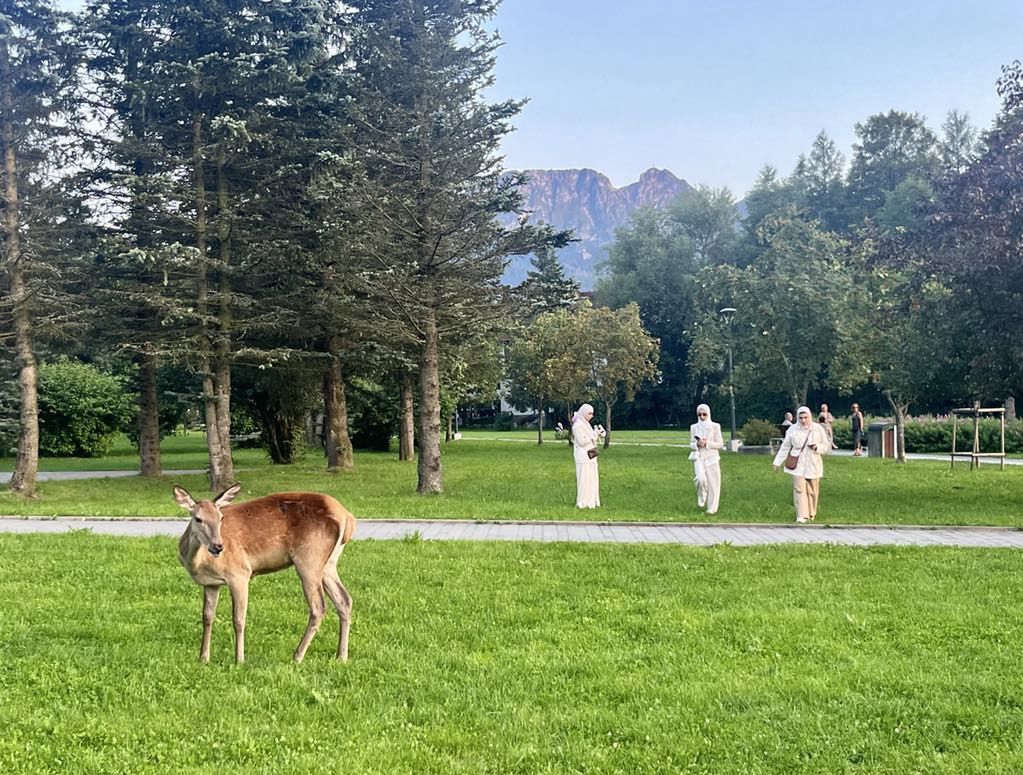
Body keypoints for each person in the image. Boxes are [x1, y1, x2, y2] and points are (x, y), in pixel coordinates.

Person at [773, 405, 832, 523]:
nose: (803, 420)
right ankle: (801, 516)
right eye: (801, 418)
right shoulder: (792, 430)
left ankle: (811, 514)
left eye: (806, 417)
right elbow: (785, 447)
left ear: (810, 416)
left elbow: (826, 445)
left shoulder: (818, 429)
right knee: (799, 489)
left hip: (813, 462)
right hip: (797, 463)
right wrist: (777, 462)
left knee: (813, 490)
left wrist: (817, 447)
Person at [689, 403, 724, 514]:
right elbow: (691, 444)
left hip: (712, 457)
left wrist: (706, 443)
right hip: (699, 457)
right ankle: (702, 495)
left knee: (714, 484)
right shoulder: (694, 427)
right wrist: (697, 445)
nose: (702, 417)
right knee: (700, 479)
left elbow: (720, 444)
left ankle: (712, 509)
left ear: (708, 414)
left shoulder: (715, 426)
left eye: (704, 414)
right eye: (700, 415)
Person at [571, 403, 604, 509]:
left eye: (592, 413)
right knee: (585, 479)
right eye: (589, 413)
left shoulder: (586, 424)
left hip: (591, 455)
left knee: (592, 478)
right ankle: (583, 502)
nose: (591, 416)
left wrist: (597, 434)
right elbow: (581, 441)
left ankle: (592, 501)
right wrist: (594, 435)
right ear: (584, 412)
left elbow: (590, 438)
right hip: (583, 456)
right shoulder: (578, 425)